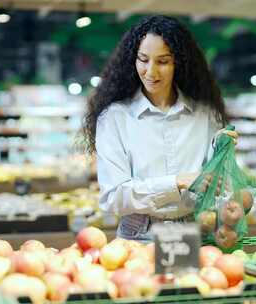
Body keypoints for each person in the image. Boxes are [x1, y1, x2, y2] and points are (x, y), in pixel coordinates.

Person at [83, 15, 238, 241]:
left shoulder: (205, 116)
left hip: (195, 233)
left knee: (190, 278)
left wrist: (223, 154)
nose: (151, 72)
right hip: (138, 237)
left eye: (163, 61)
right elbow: (113, 198)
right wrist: (177, 182)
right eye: (143, 59)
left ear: (179, 63)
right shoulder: (114, 118)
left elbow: (220, 187)